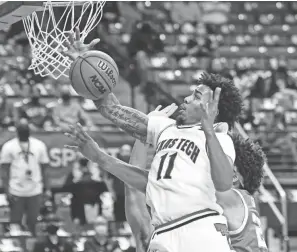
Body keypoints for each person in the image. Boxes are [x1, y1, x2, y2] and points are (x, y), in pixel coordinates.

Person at [65, 29, 243, 252]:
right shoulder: (165, 129)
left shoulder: (219, 138)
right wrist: (86, 63)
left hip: (200, 229)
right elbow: (111, 109)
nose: (186, 98)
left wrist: (208, 131)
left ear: (212, 109)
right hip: (162, 232)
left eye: (196, 96)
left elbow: (224, 182)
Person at [0, 118, 51, 235]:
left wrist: (47, 189)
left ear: (29, 130)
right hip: (16, 190)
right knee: (15, 224)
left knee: (33, 222)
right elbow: (4, 172)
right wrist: (7, 191)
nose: (24, 131)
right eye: (21, 129)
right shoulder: (8, 146)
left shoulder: (39, 145)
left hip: (35, 189)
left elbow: (45, 169)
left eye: (26, 129)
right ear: (17, 131)